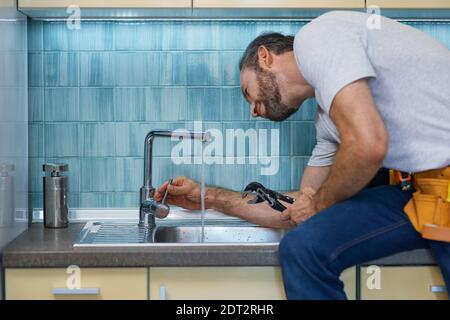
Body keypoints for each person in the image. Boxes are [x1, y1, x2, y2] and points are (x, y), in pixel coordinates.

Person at [154, 11, 450, 299]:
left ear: (264, 57)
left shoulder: (317, 37)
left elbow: (368, 146)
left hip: (437, 191)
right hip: (423, 193)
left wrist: (319, 203)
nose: (252, 111)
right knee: (303, 247)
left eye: (248, 92)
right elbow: (299, 209)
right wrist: (209, 197)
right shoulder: (329, 123)